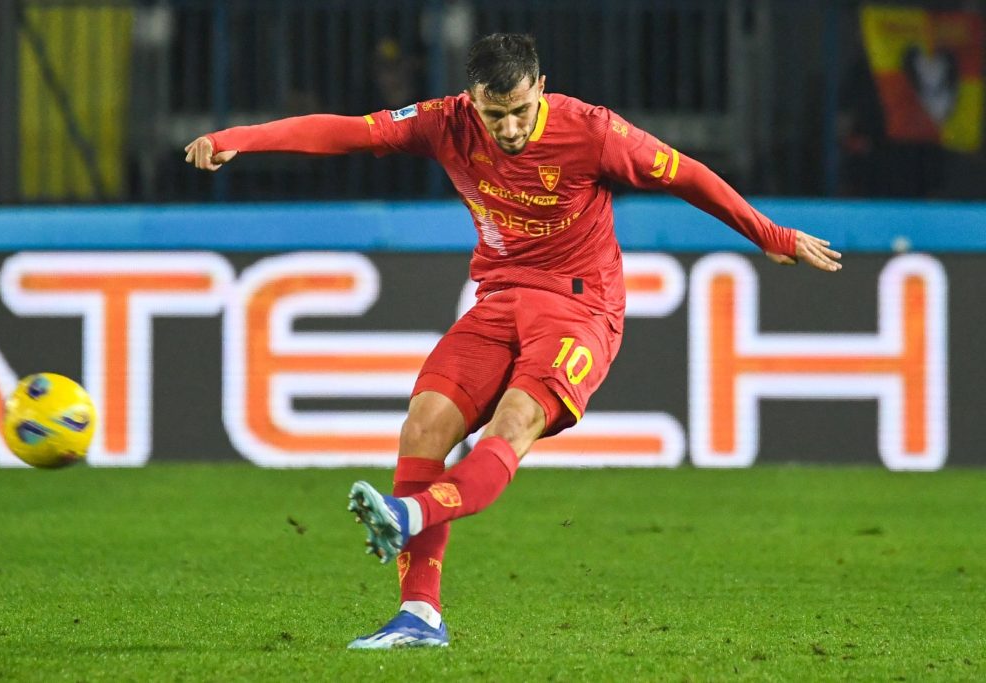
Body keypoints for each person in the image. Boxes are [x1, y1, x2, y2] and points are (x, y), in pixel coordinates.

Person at [185, 33, 842, 649]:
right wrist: (238, 137)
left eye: (521, 110)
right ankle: (419, 614)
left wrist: (769, 233)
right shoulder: (445, 122)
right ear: (471, 98)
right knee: (424, 424)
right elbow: (349, 132)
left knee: (515, 420)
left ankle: (408, 515)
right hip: (499, 299)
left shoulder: (593, 131)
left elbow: (686, 175)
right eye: (494, 114)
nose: (508, 128)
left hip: (580, 308)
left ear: (541, 88)